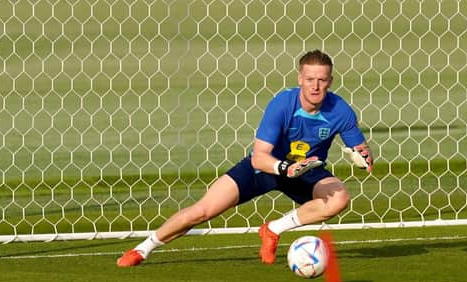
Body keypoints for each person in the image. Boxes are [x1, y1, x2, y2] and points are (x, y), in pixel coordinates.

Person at [117, 49, 373, 267]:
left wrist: (362, 157)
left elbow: (360, 148)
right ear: (300, 79)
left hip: (306, 171)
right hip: (268, 167)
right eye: (310, 79)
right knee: (202, 211)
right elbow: (258, 158)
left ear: (330, 81)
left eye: (322, 80)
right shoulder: (282, 104)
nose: (315, 86)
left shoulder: (341, 111)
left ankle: (273, 229)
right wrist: (284, 168)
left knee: (339, 198)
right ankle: (143, 248)